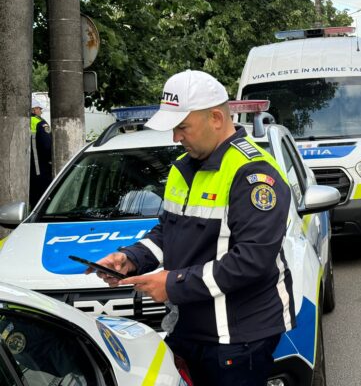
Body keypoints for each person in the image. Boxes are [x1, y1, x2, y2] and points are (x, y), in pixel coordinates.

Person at [91, 70, 295, 386]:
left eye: (182, 127)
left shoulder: (254, 173)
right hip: (188, 327)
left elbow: (252, 260)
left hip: (237, 337)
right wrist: (130, 258)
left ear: (216, 117)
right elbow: (168, 232)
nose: (175, 137)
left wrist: (173, 285)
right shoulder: (183, 168)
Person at [29, 97, 53, 208]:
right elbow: (47, 146)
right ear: (34, 110)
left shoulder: (24, 121)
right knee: (43, 199)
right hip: (40, 167)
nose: (40, 111)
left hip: (28, 168)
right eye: (39, 109)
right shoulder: (40, 123)